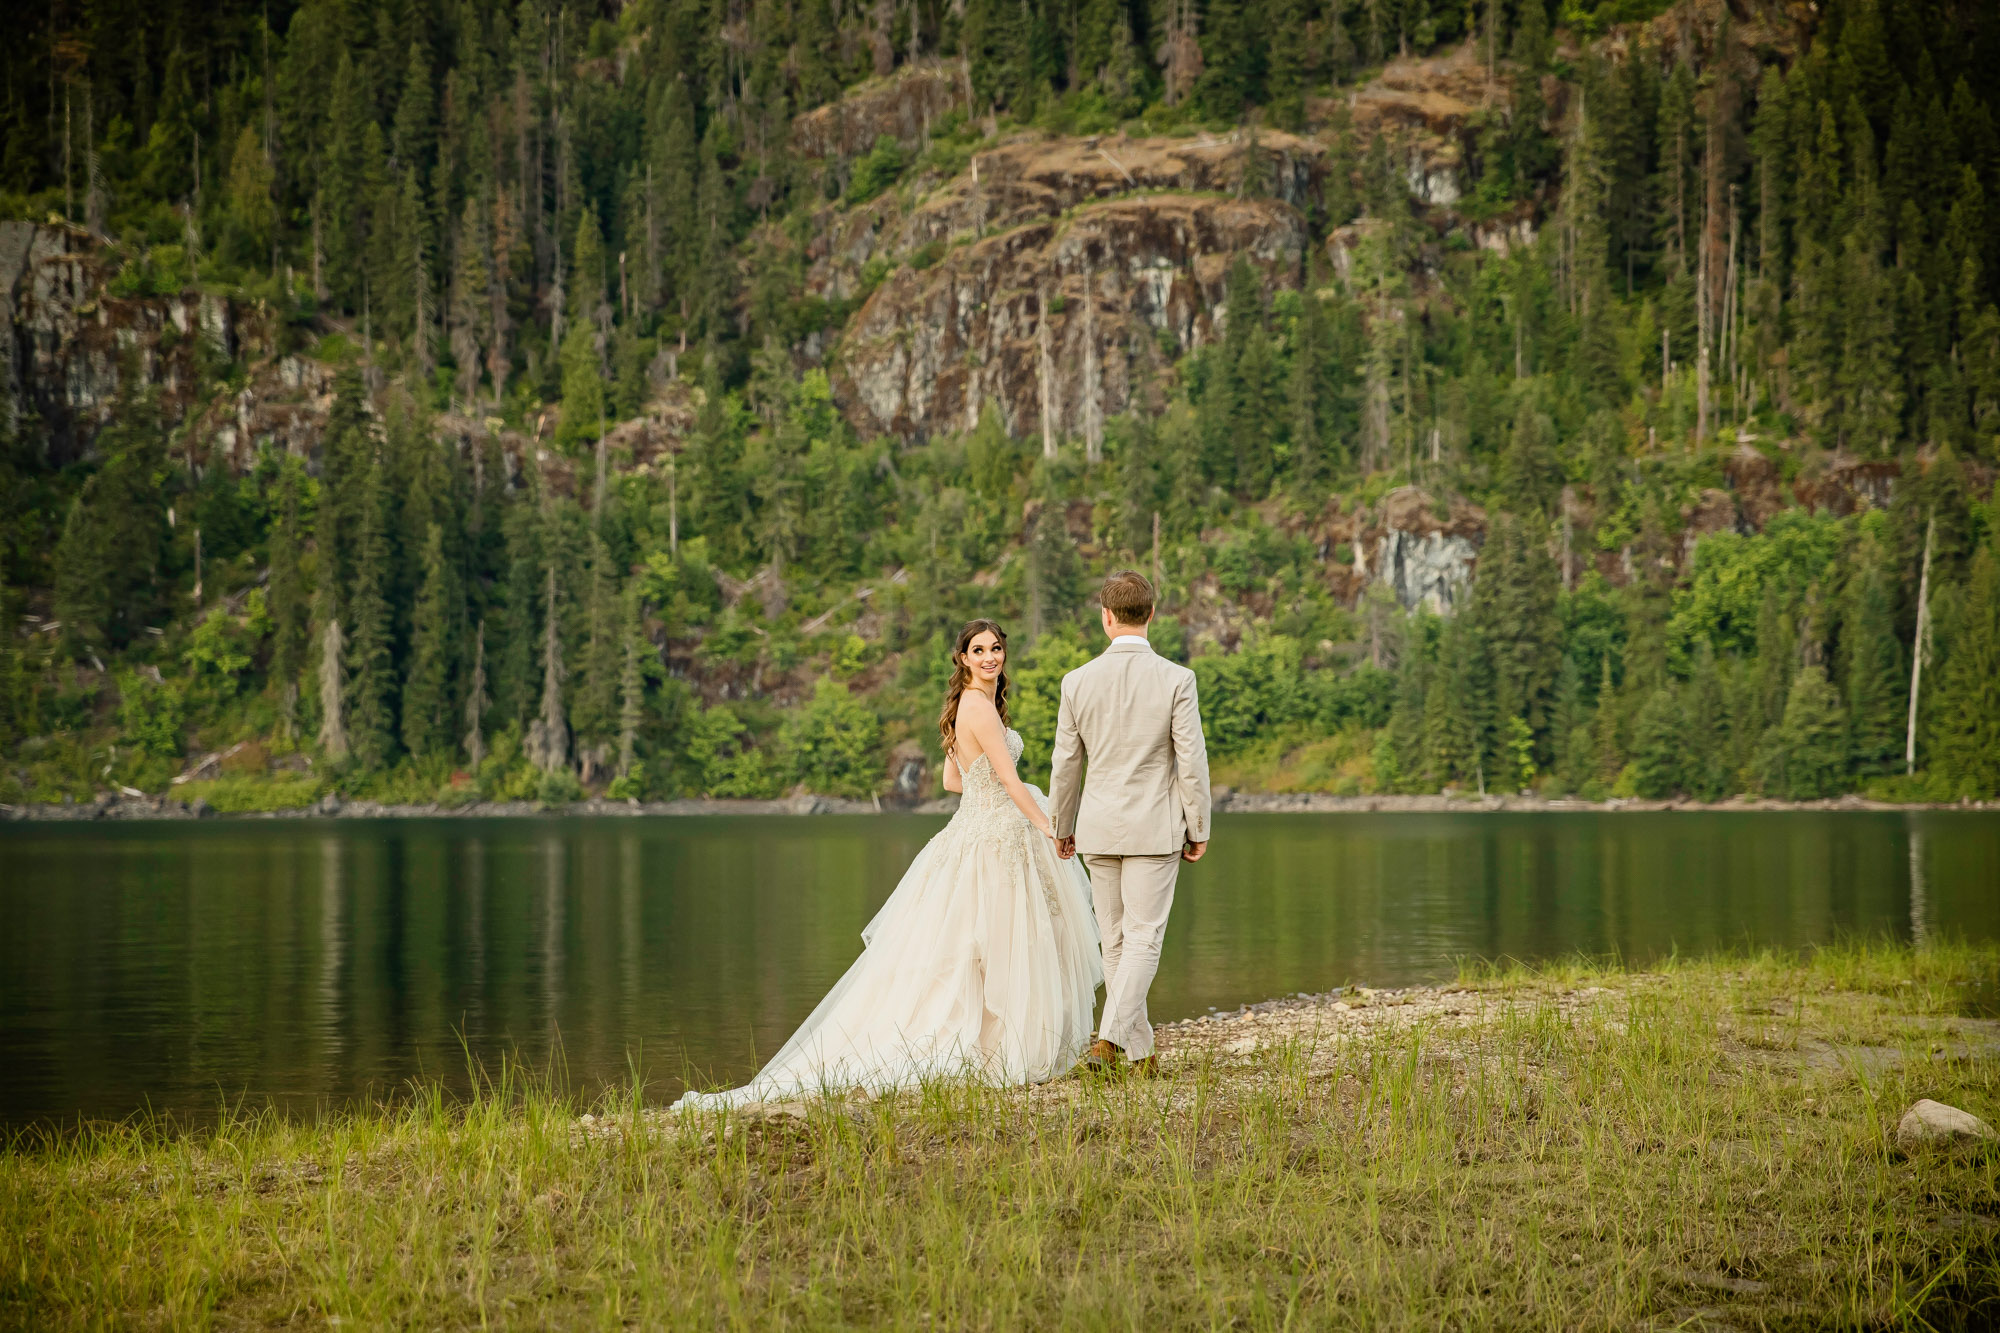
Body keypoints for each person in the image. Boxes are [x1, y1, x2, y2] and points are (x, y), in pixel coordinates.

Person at [674, 619, 1100, 1110]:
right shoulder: (979, 708)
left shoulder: (973, 706)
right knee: (1001, 941)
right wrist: (1048, 827)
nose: (990, 657)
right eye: (978, 650)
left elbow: (952, 780)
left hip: (976, 830)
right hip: (994, 837)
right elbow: (1006, 780)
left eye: (997, 648)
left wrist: (995, 795)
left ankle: (999, 1042)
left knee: (984, 944)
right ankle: (1005, 1047)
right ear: (962, 658)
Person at [1049, 571, 1212, 1077]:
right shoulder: (1176, 678)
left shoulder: (1076, 681)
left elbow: (1065, 764)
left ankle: (1139, 1056)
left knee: (1118, 941)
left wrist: (1061, 823)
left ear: (1106, 617)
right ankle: (1110, 1040)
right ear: (1152, 615)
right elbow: (1192, 760)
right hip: (1154, 828)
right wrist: (1198, 824)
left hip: (1097, 826)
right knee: (1142, 939)